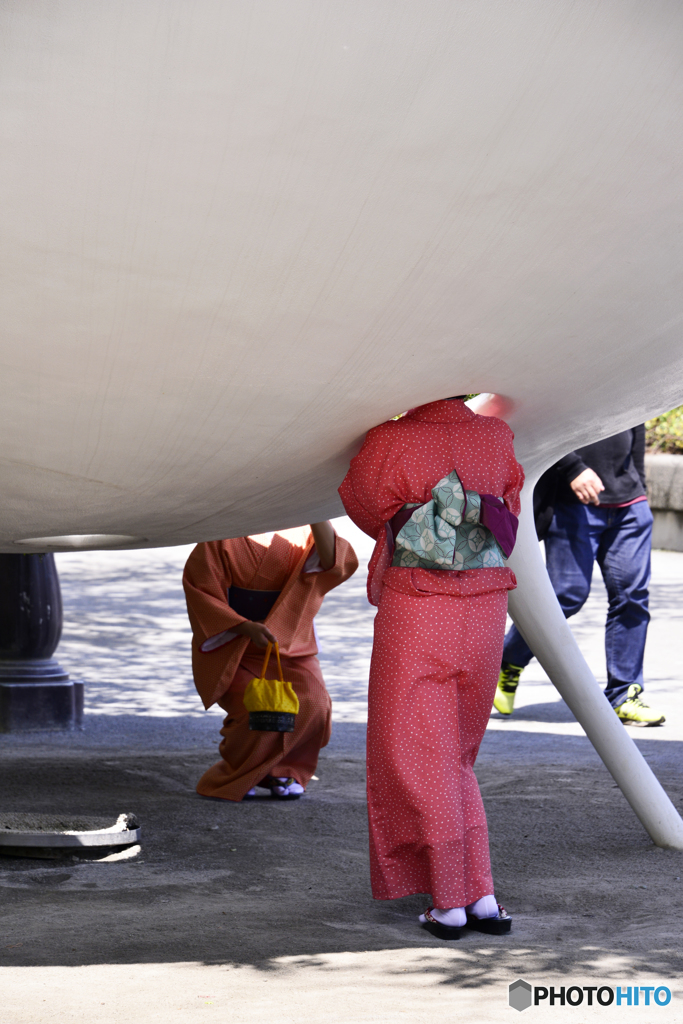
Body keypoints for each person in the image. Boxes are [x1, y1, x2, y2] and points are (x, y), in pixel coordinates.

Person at [339, 397, 524, 939]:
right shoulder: (496, 436)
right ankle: (481, 893)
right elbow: (509, 497)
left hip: (419, 605)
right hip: (486, 602)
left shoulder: (389, 438)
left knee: (419, 753)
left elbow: (366, 506)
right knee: (459, 754)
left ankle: (448, 903)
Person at [494, 425, 664, 725]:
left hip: (629, 503)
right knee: (567, 593)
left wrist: (641, 490)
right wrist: (573, 467)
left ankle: (625, 694)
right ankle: (509, 659)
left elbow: (637, 425)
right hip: (573, 500)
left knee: (633, 596)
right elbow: (545, 418)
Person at [183, 522, 358, 800]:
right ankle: (238, 773)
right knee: (255, 707)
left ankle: (287, 771)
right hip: (236, 645)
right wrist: (244, 626)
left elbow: (333, 563)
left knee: (314, 703)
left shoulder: (303, 527)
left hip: (287, 641)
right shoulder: (219, 537)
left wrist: (316, 512)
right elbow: (201, 591)